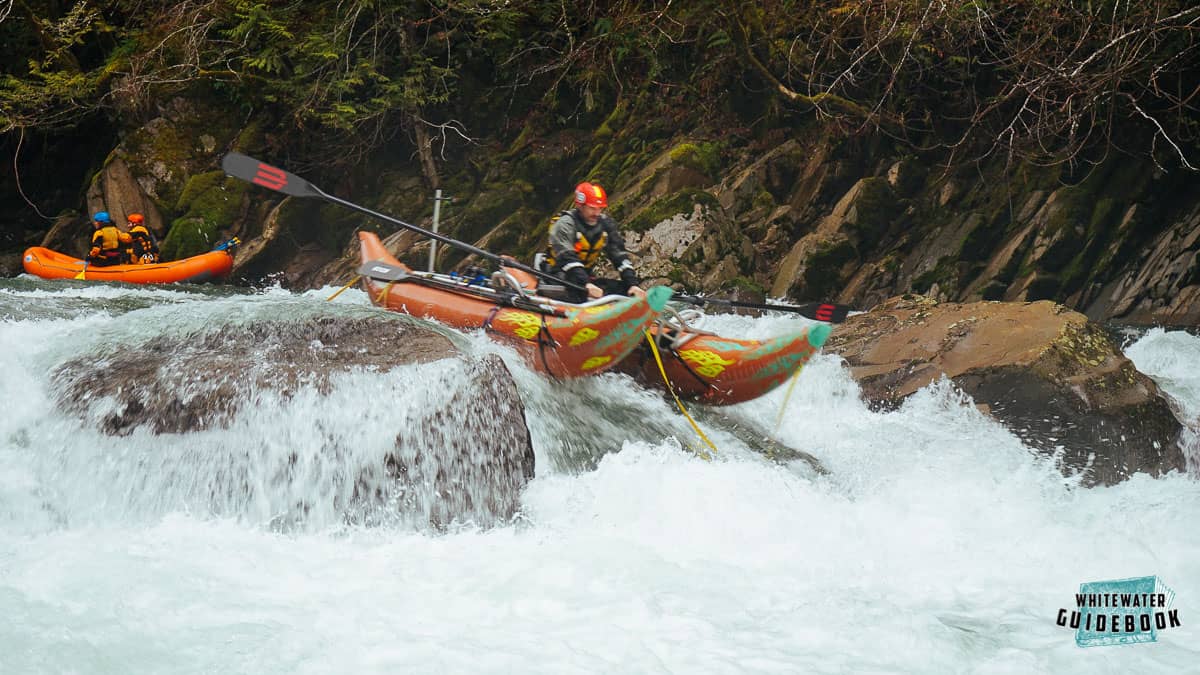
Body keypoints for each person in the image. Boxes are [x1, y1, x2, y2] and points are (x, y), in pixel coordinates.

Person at [542, 182, 646, 303]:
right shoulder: (565, 224)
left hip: (584, 277)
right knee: (577, 291)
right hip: (558, 276)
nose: (597, 213)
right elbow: (567, 257)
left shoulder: (605, 224)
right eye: (592, 208)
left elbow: (619, 255)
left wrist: (632, 284)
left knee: (624, 288)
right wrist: (585, 283)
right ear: (580, 206)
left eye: (600, 208)